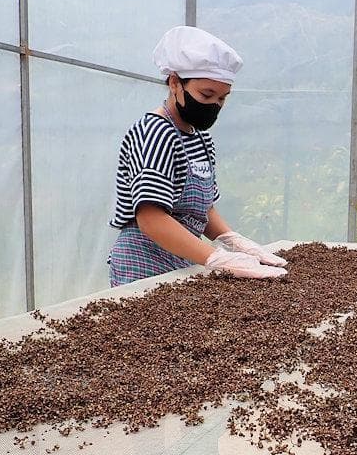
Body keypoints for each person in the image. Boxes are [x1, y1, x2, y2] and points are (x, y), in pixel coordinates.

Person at [108, 25, 287, 286]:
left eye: (222, 98)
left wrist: (232, 240)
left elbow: (202, 210)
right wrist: (216, 258)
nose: (214, 106)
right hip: (144, 264)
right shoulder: (155, 133)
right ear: (175, 83)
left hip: (182, 259)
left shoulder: (201, 138)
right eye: (206, 94)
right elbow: (150, 217)